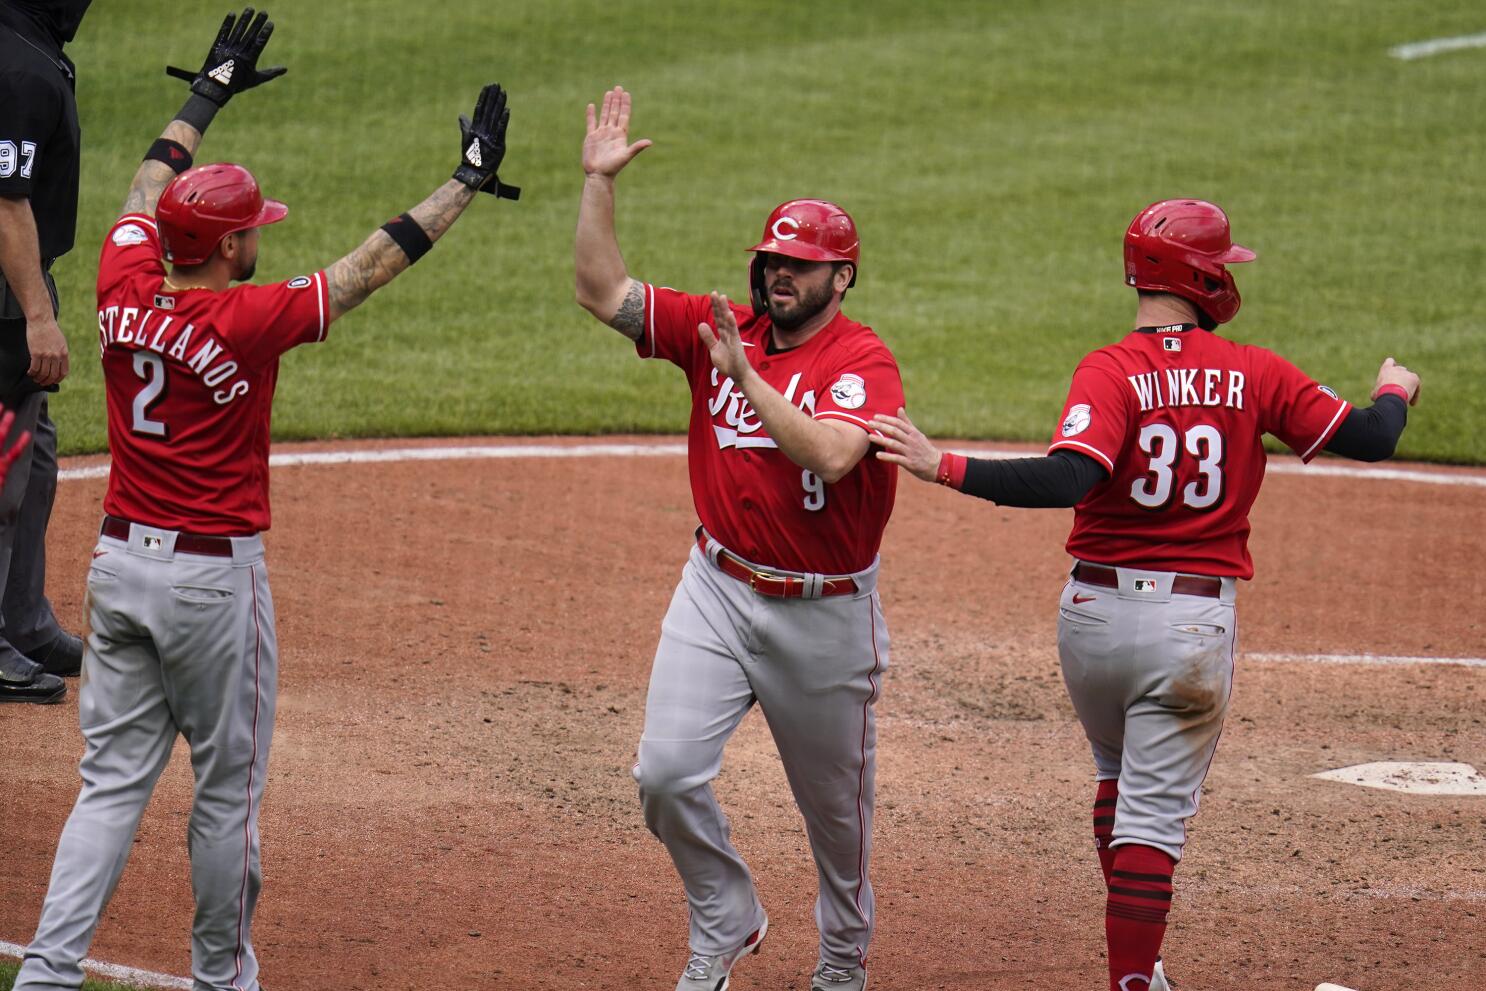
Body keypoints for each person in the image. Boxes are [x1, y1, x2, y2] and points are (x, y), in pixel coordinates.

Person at [13, 8, 520, 988]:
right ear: (229, 249)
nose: (260, 240)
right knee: (226, 798)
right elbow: (374, 261)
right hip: (212, 588)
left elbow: (143, 187)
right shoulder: (251, 317)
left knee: (108, 786)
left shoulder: (125, 284)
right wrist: (463, 178)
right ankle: (223, 979)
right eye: (251, 230)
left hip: (118, 566)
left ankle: (46, 971)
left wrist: (208, 88)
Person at [869, 198, 1420, 991]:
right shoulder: (1255, 370)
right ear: (1198, 275)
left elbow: (1069, 477)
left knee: (1118, 778)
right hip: (1189, 628)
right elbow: (1371, 437)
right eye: (1223, 264)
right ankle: (1131, 977)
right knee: (1154, 820)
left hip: (1090, 623)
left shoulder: (1108, 369)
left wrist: (944, 464)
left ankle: (1145, 963)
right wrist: (1395, 387)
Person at [575, 86, 903, 991]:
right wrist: (598, 184)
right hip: (716, 585)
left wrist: (747, 379)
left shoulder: (861, 360)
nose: (779, 275)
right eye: (772, 260)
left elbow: (836, 454)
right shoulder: (723, 325)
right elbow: (599, 289)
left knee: (837, 820)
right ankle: (725, 915)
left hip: (825, 614)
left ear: (843, 278)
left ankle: (842, 964)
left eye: (801, 265)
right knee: (666, 775)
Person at [0, 0, 94, 704]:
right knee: (5, 471)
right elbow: (5, 202)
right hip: (7, 291)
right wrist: (37, 313)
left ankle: (24, 619)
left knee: (36, 460)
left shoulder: (28, 47)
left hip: (23, 279)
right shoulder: (18, 69)